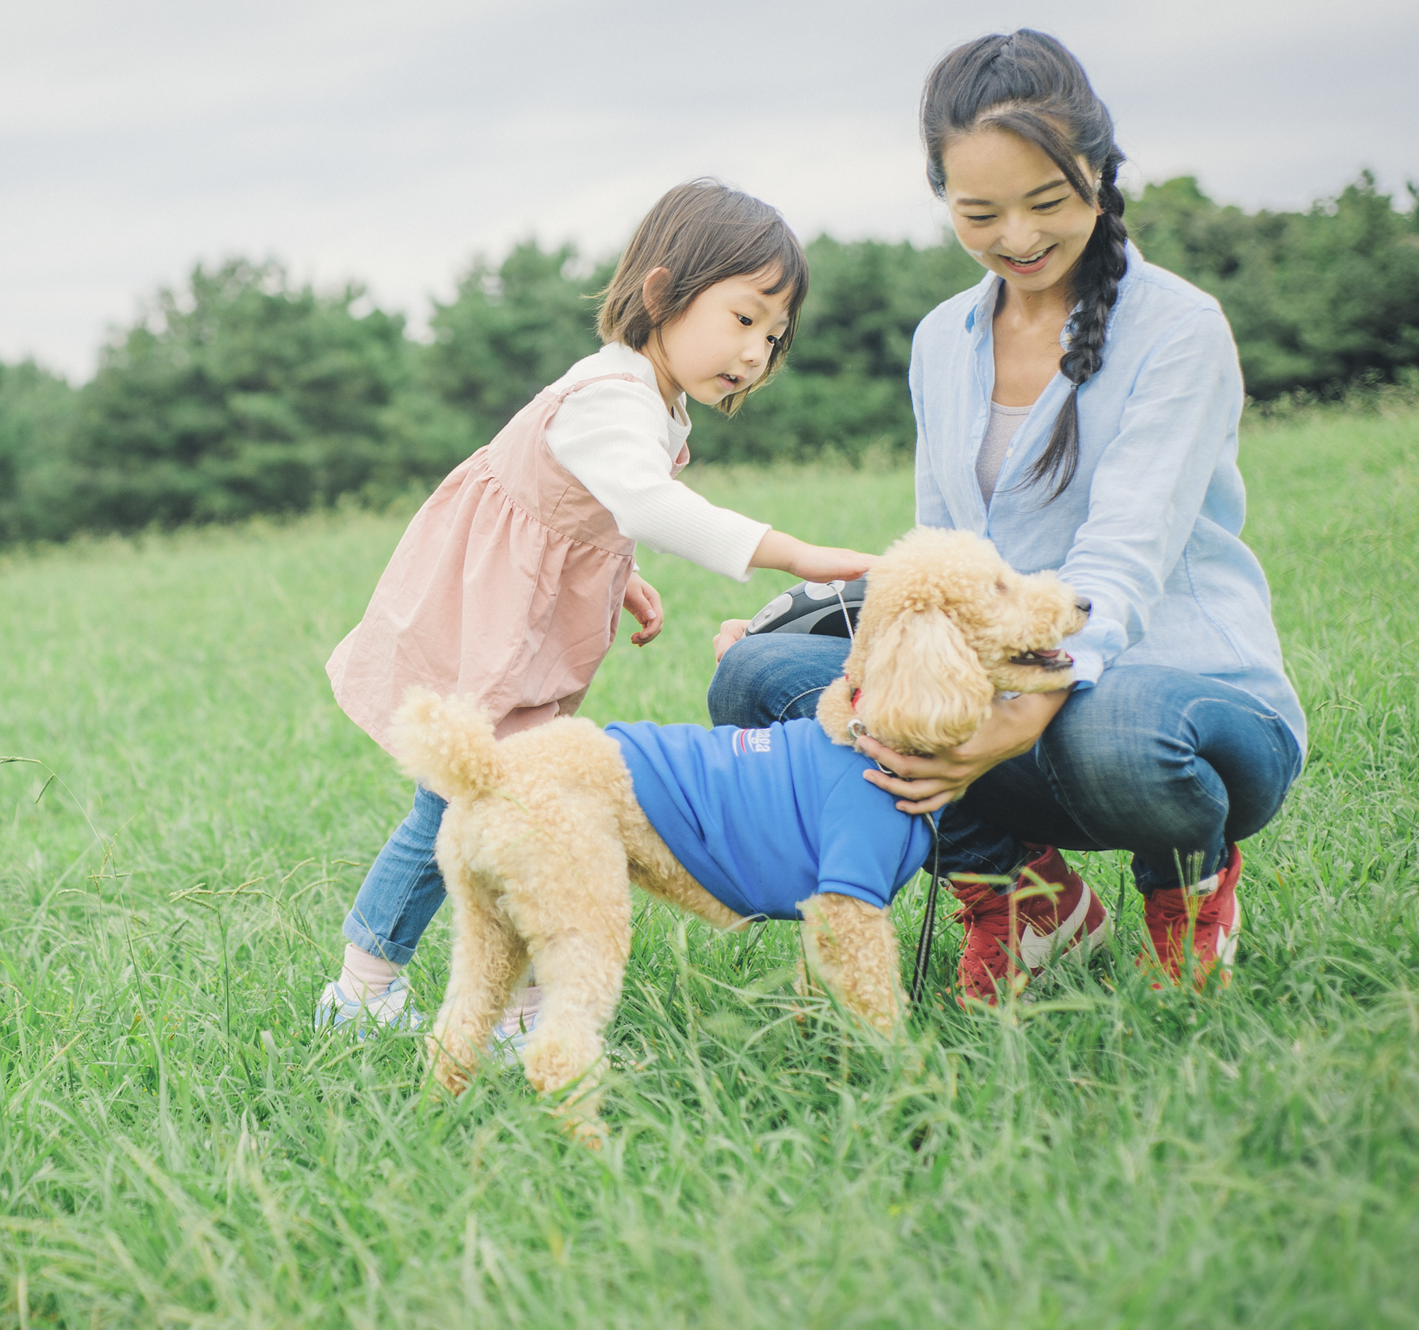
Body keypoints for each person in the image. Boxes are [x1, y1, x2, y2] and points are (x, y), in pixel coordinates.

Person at [710, 30, 1305, 1001]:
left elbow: (1120, 559)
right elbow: (940, 555)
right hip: (1004, 679)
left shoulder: (1176, 326)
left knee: (1121, 735)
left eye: (1046, 203)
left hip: (1180, 687)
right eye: (978, 212)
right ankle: (1025, 895)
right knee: (757, 680)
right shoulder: (941, 341)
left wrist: (1018, 713)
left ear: (1100, 178)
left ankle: (1186, 882)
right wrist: (848, 645)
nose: (1016, 238)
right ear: (940, 193)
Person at [318, 179, 875, 1035]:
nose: (759, 351)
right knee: (473, 798)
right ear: (662, 295)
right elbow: (647, 504)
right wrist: (793, 552)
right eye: (744, 318)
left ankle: (507, 1004)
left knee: (510, 803)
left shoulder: (651, 395)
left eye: (775, 333)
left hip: (517, 617)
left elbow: (590, 510)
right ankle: (366, 993)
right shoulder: (611, 396)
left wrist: (620, 575)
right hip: (484, 623)